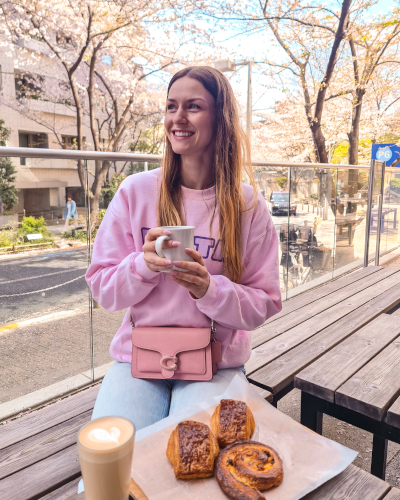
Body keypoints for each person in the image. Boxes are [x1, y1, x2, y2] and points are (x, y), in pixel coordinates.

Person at [85, 66, 282, 431]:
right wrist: (142, 266)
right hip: (138, 358)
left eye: (193, 106)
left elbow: (265, 303)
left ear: (220, 118)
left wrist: (209, 289)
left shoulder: (247, 206)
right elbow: (103, 289)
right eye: (171, 106)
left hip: (215, 362)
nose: (177, 117)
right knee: (114, 463)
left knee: (198, 464)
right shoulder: (134, 192)